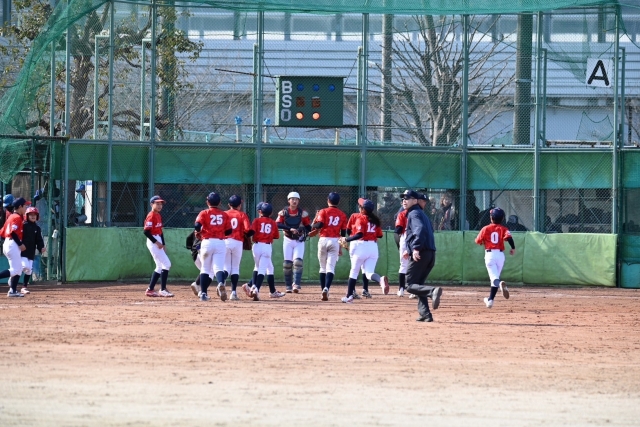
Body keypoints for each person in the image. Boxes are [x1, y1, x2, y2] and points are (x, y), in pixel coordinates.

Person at [402, 190, 442, 322]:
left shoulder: (414, 213)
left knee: (409, 285)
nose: (404, 200)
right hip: (429, 254)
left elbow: (419, 230)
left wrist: (416, 248)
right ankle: (425, 314)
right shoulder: (422, 214)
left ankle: (432, 291)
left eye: (407, 198)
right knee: (419, 285)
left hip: (421, 253)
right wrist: (410, 249)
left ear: (415, 201)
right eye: (403, 198)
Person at [338, 198, 389, 303]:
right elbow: (380, 235)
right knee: (369, 273)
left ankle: (349, 296)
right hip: (373, 247)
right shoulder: (375, 220)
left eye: (360, 206)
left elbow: (360, 234)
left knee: (354, 272)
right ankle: (380, 280)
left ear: (362, 209)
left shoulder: (360, 218)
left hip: (361, 246)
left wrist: (346, 239)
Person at [242, 202, 286, 301]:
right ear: (271, 213)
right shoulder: (273, 222)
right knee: (262, 269)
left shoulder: (256, 220)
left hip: (256, 246)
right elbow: (276, 236)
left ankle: (269, 290)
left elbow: (251, 232)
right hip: (266, 246)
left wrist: (246, 235)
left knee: (265, 268)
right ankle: (256, 289)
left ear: (260, 212)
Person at [194, 192, 232, 302]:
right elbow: (229, 231)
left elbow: (197, 225)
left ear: (207, 202)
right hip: (220, 242)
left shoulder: (204, 212)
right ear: (219, 203)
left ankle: (203, 294)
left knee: (205, 268)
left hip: (207, 242)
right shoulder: (224, 214)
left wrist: (200, 231)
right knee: (218, 268)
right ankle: (220, 283)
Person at [310, 192, 347, 301]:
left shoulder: (323, 211)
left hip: (323, 239)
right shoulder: (342, 214)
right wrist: (340, 246)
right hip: (335, 241)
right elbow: (343, 233)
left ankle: (323, 290)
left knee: (322, 267)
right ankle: (326, 288)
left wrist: (314, 222)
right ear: (338, 202)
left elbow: (319, 225)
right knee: (330, 267)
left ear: (328, 200)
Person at [474, 207, 514, 308]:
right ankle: (490, 301)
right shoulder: (504, 229)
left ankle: (500, 284)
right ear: (502, 218)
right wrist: (513, 248)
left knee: (495, 279)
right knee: (494, 279)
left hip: (490, 255)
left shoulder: (486, 228)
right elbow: (509, 238)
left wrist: (483, 241)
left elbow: (477, 241)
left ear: (491, 218)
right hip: (500, 255)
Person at [276, 191, 311, 293]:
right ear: (289, 200)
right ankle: (288, 286)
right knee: (287, 264)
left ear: (298, 201)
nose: (294, 201)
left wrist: (304, 229)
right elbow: (277, 224)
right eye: (292, 199)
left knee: (298, 262)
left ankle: (296, 284)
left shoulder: (302, 213)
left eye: (296, 199)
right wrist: (289, 228)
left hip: (298, 240)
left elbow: (308, 227)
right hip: (288, 239)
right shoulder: (283, 212)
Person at [143, 195, 173, 297]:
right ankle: (163, 289)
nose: (160, 206)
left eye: (161, 204)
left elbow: (160, 231)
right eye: (157, 203)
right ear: (151, 204)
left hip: (158, 239)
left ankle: (150, 290)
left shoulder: (158, 215)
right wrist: (157, 242)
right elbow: (146, 232)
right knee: (167, 264)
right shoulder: (151, 215)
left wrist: (163, 243)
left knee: (160, 266)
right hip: (153, 241)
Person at [1, 197, 30, 297]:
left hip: (8, 243)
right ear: (20, 206)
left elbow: (2, 232)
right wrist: (20, 244)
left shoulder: (12, 216)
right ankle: (12, 291)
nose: (26, 207)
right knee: (15, 270)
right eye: (25, 206)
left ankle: (12, 291)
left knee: (18, 268)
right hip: (13, 244)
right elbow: (13, 232)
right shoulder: (16, 217)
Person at [224, 195, 251, 301]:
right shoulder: (242, 215)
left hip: (225, 241)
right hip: (238, 242)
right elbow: (247, 229)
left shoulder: (224, 214)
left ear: (229, 204)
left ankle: (221, 283)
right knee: (235, 268)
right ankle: (233, 293)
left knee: (226, 268)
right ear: (240, 205)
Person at [345, 205, 371, 299]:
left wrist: (351, 237)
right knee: (365, 268)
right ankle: (365, 289)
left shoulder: (354, 216)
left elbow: (348, 230)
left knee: (354, 268)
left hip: (354, 242)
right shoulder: (370, 217)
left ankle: (352, 291)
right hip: (365, 243)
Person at [19, 207, 46, 294]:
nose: (33, 216)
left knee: (29, 270)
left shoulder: (37, 228)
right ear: (27, 216)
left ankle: (24, 287)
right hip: (23, 251)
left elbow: (39, 240)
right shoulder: (24, 225)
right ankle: (13, 275)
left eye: (35, 215)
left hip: (31, 252)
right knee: (25, 266)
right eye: (31, 215)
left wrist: (41, 247)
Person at [394, 199, 408, 297]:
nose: (404, 201)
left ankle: (401, 289)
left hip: (405, 237)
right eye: (403, 199)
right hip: (416, 238)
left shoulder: (402, 213)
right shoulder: (419, 213)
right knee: (413, 265)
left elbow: (398, 230)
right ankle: (413, 290)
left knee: (403, 265)